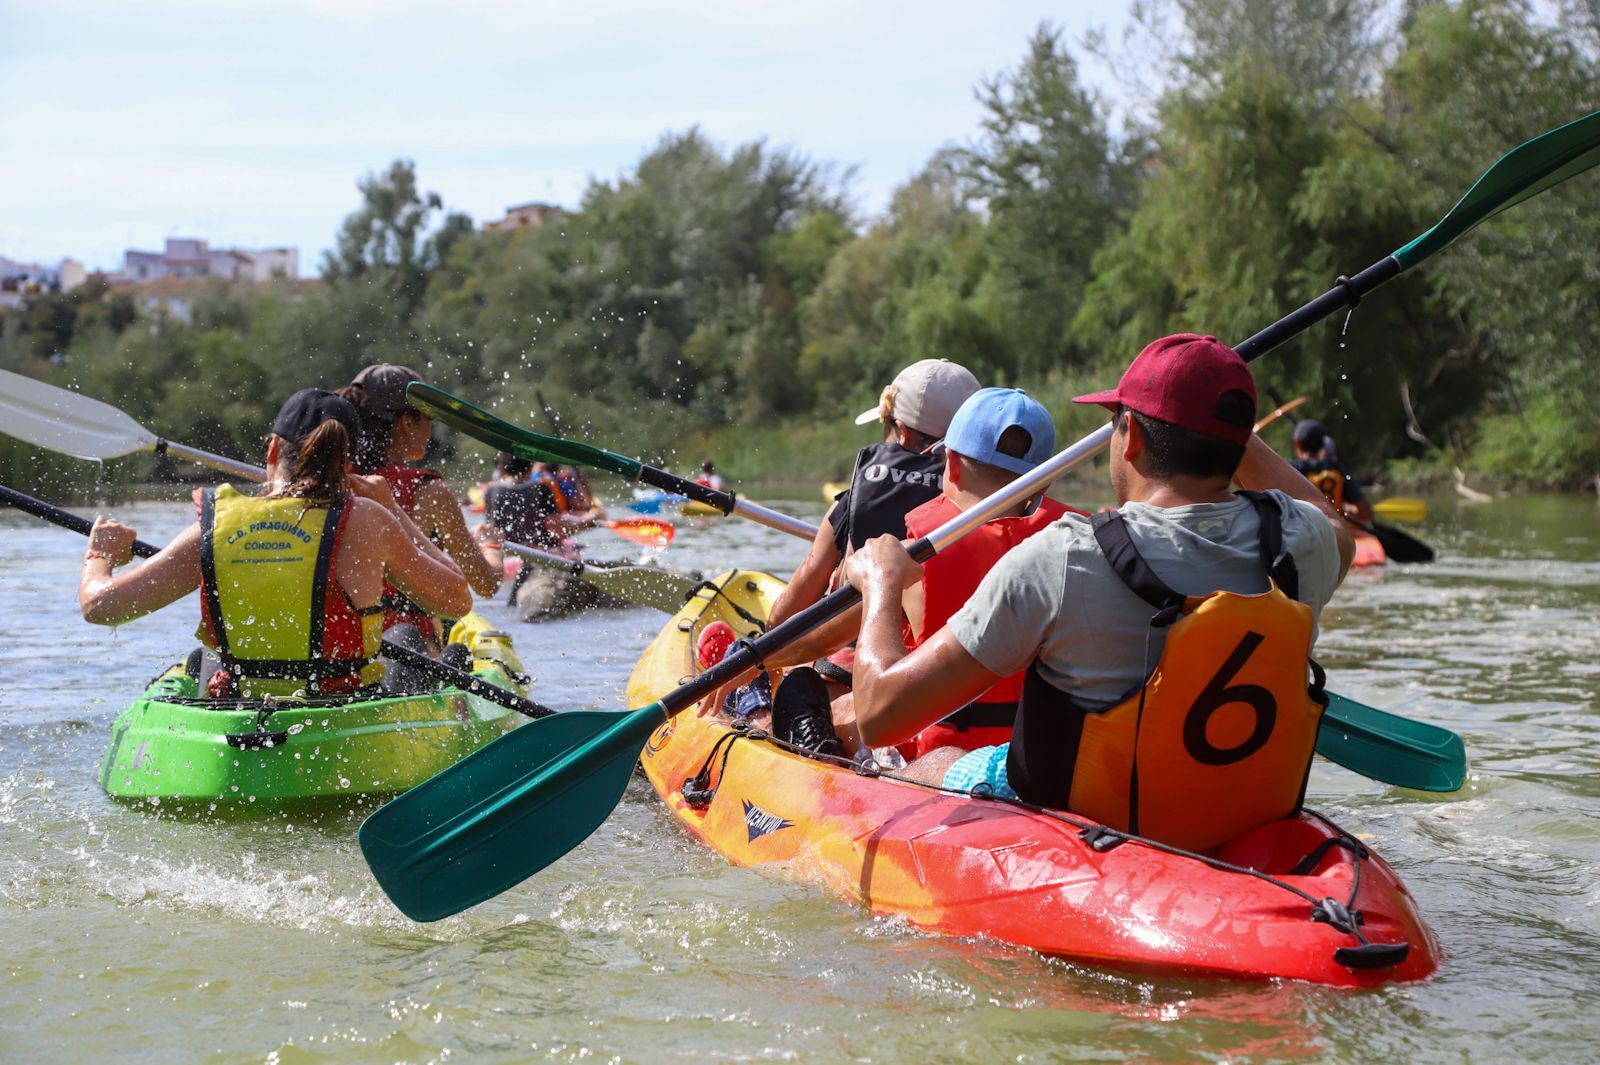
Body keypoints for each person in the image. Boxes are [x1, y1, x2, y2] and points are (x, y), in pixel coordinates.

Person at [843, 335, 1357, 853]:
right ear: (1238, 443)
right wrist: (1222, 423)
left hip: (1091, 825)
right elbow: (1333, 523)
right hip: (1235, 815)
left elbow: (882, 715)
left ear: (1128, 434)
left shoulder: (1064, 555)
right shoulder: (1302, 541)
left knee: (936, 762)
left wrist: (882, 585)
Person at [78, 389, 472, 698]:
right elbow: (457, 599)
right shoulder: (370, 521)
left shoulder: (214, 528)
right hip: (341, 713)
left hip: (244, 710)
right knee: (408, 645)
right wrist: (393, 510)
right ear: (346, 464)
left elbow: (100, 606)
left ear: (270, 451)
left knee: (202, 661)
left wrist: (101, 554)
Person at [763, 358, 981, 662]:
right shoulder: (987, 504)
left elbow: (807, 580)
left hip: (854, 663)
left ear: (902, 431)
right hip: (950, 664)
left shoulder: (851, 502)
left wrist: (764, 638)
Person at [339, 364, 503, 647]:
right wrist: (490, 547)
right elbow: (486, 584)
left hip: (347, 649)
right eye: (428, 417)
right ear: (407, 422)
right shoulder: (429, 493)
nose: (430, 427)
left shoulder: (333, 482)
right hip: (411, 651)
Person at [1291, 418, 1374, 524]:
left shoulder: (1292, 469)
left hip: (1305, 533)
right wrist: (1341, 509)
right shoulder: (1337, 469)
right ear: (1322, 443)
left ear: (1297, 444)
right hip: (1335, 532)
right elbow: (1366, 513)